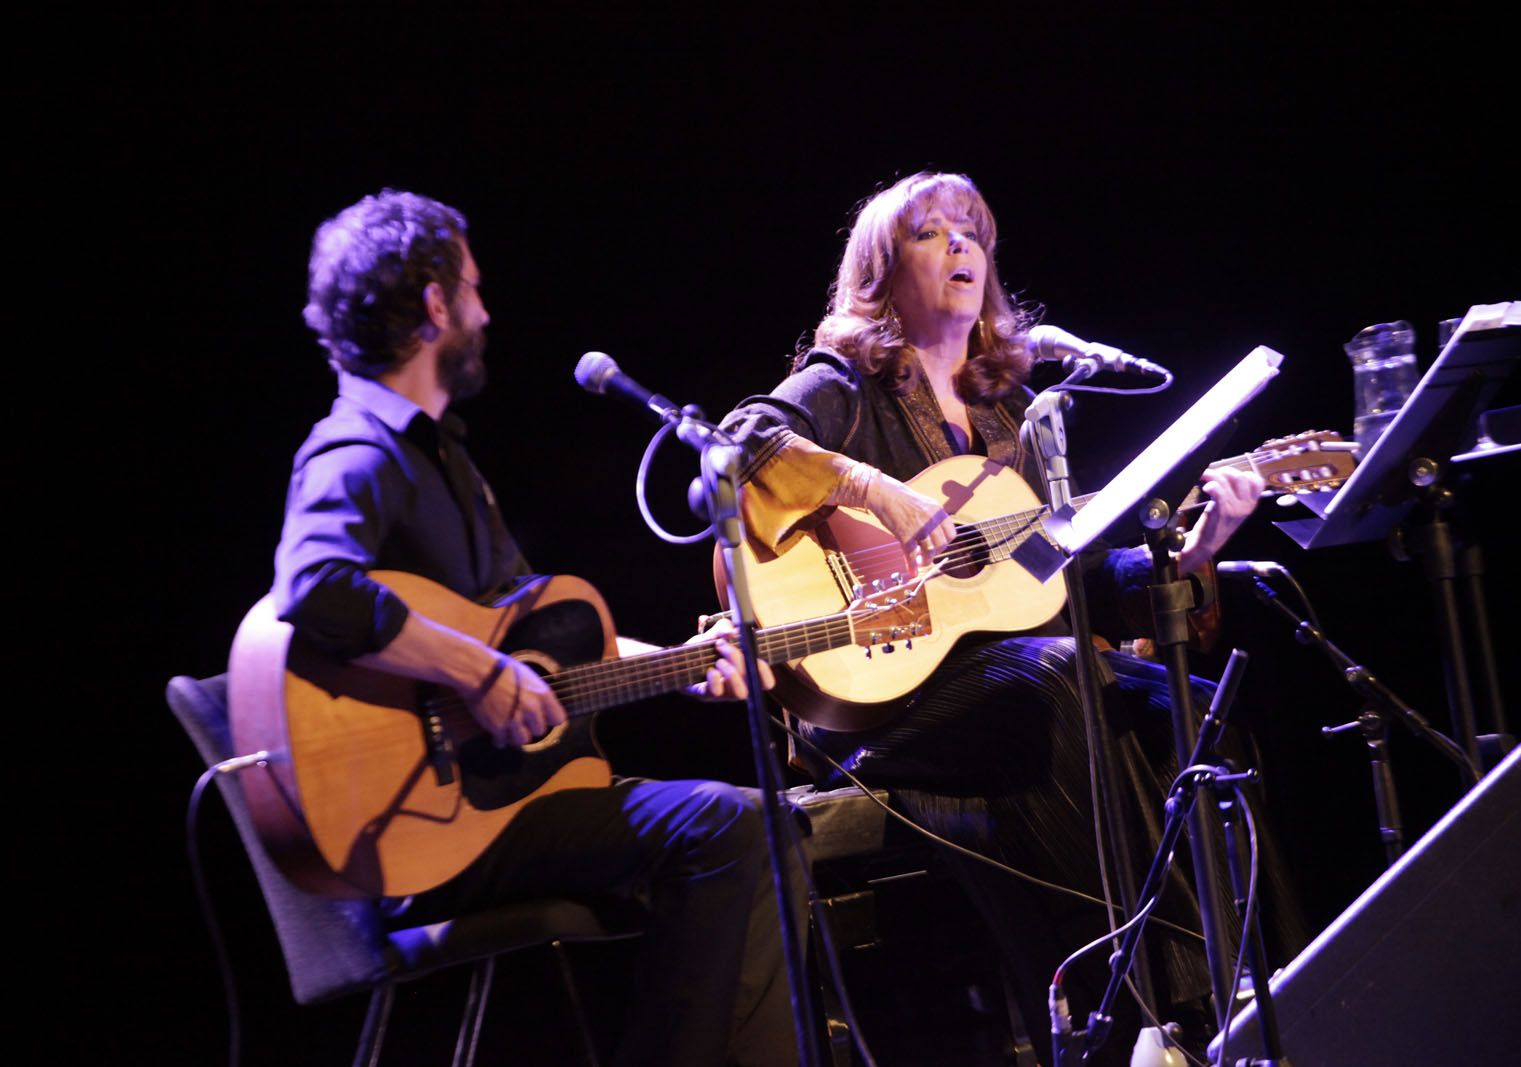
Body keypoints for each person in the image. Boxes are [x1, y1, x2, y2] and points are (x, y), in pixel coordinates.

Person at [718, 171, 1304, 1062]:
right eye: (930, 234)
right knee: (1061, 674)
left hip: (1007, 681)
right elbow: (738, 444)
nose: (960, 246)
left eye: (972, 233)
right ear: (880, 271)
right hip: (883, 702)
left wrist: (1188, 547)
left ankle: (1272, 991)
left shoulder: (1013, 414)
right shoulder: (846, 383)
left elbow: (1050, 577)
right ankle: (1151, 1014)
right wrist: (877, 489)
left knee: (1193, 701)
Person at [275, 188, 799, 1067]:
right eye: (473, 289)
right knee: (729, 827)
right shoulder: (356, 449)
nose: (486, 310)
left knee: (761, 827)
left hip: (507, 799)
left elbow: (548, 645)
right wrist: (475, 673)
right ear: (437, 304)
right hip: (429, 821)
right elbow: (314, 584)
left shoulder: (445, 461)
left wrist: (681, 661)